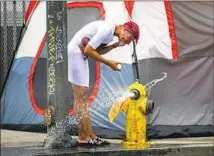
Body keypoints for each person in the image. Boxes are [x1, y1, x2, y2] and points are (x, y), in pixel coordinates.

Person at [67, 20, 139, 146]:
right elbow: (88, 51)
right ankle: (84, 136)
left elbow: (96, 51)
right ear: (125, 28)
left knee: (83, 97)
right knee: (80, 96)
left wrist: (115, 45)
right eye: (130, 38)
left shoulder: (110, 34)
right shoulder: (107, 29)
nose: (128, 42)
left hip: (79, 55)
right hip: (75, 54)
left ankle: (89, 135)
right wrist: (108, 63)